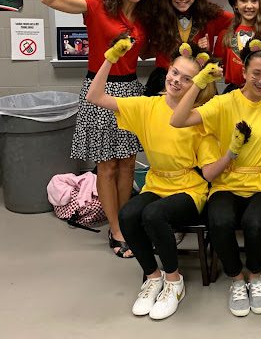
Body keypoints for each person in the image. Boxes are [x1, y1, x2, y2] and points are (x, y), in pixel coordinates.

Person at [86, 38, 223, 319]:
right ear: (167, 70)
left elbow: (209, 168)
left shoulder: (197, 116)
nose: (177, 81)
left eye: (187, 79)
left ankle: (174, 281)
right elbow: (95, 97)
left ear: (195, 84)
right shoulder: (147, 106)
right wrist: (109, 59)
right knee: (128, 215)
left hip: (189, 189)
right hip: (157, 183)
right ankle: (152, 276)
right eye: (174, 73)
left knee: (153, 215)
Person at [170, 37, 261, 317]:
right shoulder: (223, 103)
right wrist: (198, 82)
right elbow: (178, 120)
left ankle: (255, 276)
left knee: (256, 224)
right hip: (225, 183)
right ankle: (236, 279)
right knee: (219, 221)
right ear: (244, 72)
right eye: (256, 73)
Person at [41, 0, 157, 258]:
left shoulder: (147, 17)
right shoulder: (96, 5)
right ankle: (116, 230)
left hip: (131, 90)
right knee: (106, 167)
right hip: (99, 89)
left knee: (129, 163)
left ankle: (127, 222)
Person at [146, 0, 233, 95]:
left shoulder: (209, 14)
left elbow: (243, 18)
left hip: (199, 82)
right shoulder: (157, 17)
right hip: (165, 82)